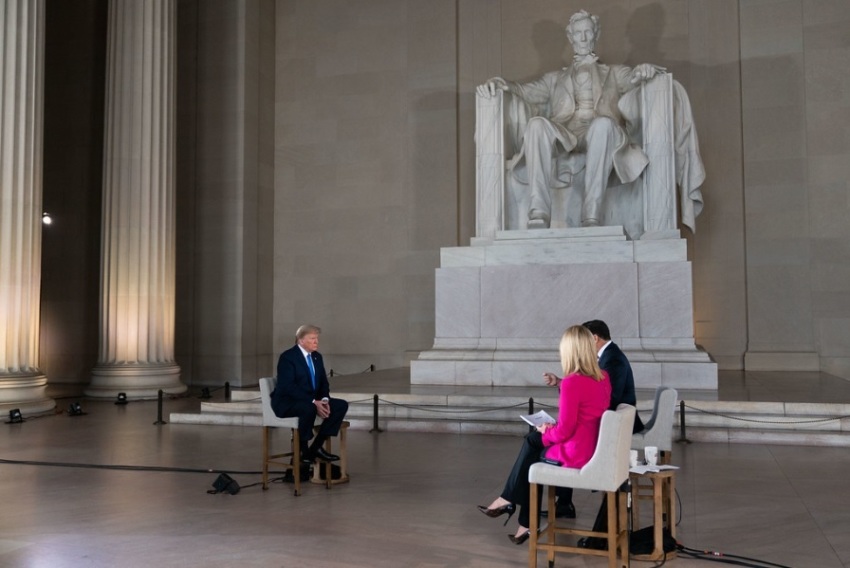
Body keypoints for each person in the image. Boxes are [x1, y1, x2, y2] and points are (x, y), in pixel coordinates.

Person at [476, 10, 664, 228]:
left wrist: (643, 71)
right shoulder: (555, 79)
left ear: (596, 34)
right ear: (570, 37)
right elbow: (524, 91)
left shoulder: (613, 72)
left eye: (587, 32)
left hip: (599, 131)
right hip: (565, 133)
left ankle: (591, 214)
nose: (583, 38)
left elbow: (634, 79)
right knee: (537, 125)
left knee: (602, 124)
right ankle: (538, 211)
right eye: (578, 33)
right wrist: (500, 83)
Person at [477, 325, 611, 544]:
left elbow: (566, 430)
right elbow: (586, 416)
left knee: (532, 448)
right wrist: (551, 430)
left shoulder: (572, 382)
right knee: (532, 445)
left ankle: (511, 504)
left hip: (577, 453)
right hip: (592, 446)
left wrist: (547, 432)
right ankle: (518, 516)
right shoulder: (603, 377)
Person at [544, 319, 645, 518]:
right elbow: (594, 391)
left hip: (616, 423)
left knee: (565, 436)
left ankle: (548, 507)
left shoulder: (612, 359)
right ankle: (563, 503)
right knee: (570, 433)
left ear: (594, 338)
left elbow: (608, 398)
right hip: (609, 419)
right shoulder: (607, 357)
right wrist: (562, 384)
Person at [271, 324, 349, 464]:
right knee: (309, 407)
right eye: (312, 338)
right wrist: (313, 402)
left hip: (311, 401)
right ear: (301, 340)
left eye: (317, 338)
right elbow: (288, 387)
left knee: (340, 405)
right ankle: (302, 449)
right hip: (287, 402)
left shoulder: (317, 357)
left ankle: (316, 448)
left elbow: (323, 383)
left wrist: (324, 400)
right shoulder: (288, 357)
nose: (316, 342)